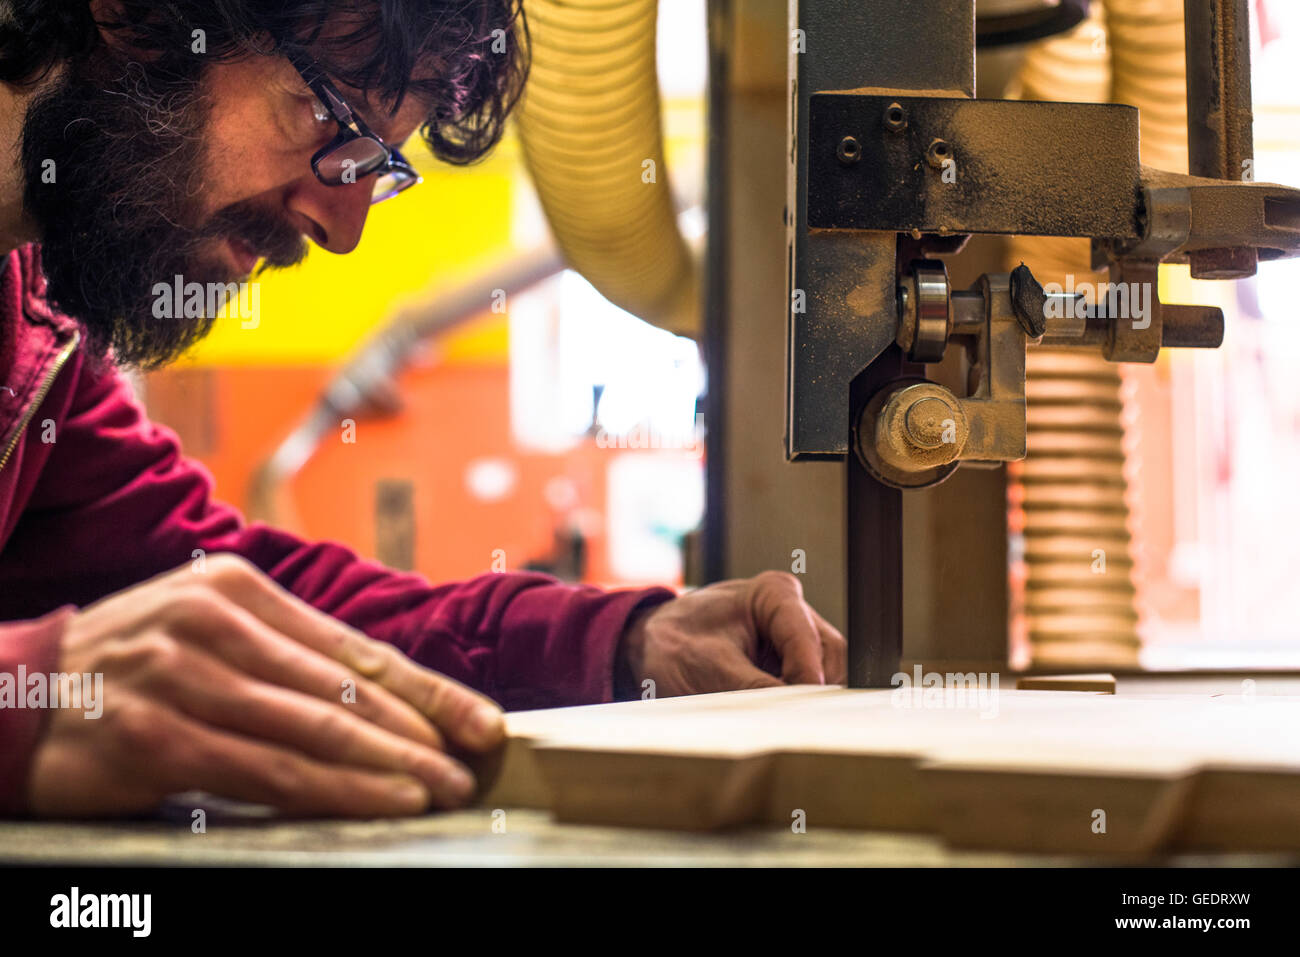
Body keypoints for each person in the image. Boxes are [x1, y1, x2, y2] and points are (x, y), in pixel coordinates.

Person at [0, 0, 845, 818]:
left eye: (377, 167)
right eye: (331, 123)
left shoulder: (39, 343)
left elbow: (241, 602)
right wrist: (34, 702)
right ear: (132, 13)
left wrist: (627, 643)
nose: (343, 228)